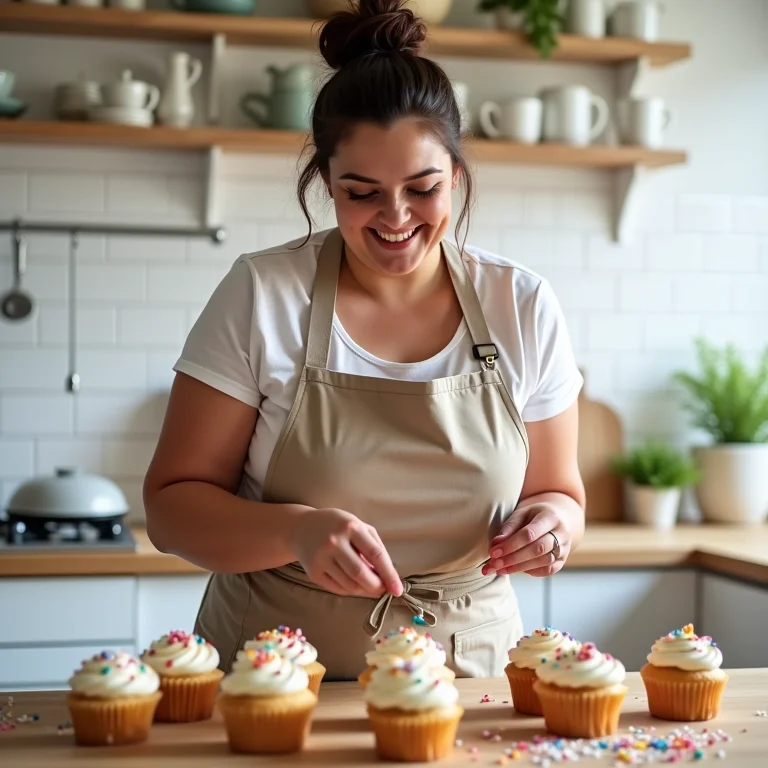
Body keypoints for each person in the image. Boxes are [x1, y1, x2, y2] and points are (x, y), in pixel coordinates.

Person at [143, 0, 586, 681]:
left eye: (423, 188)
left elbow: (561, 494)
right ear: (326, 182)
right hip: (272, 679)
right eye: (362, 192)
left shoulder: (521, 305)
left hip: (469, 680)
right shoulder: (264, 294)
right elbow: (172, 510)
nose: (396, 217)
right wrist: (293, 531)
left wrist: (553, 526)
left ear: (456, 176)